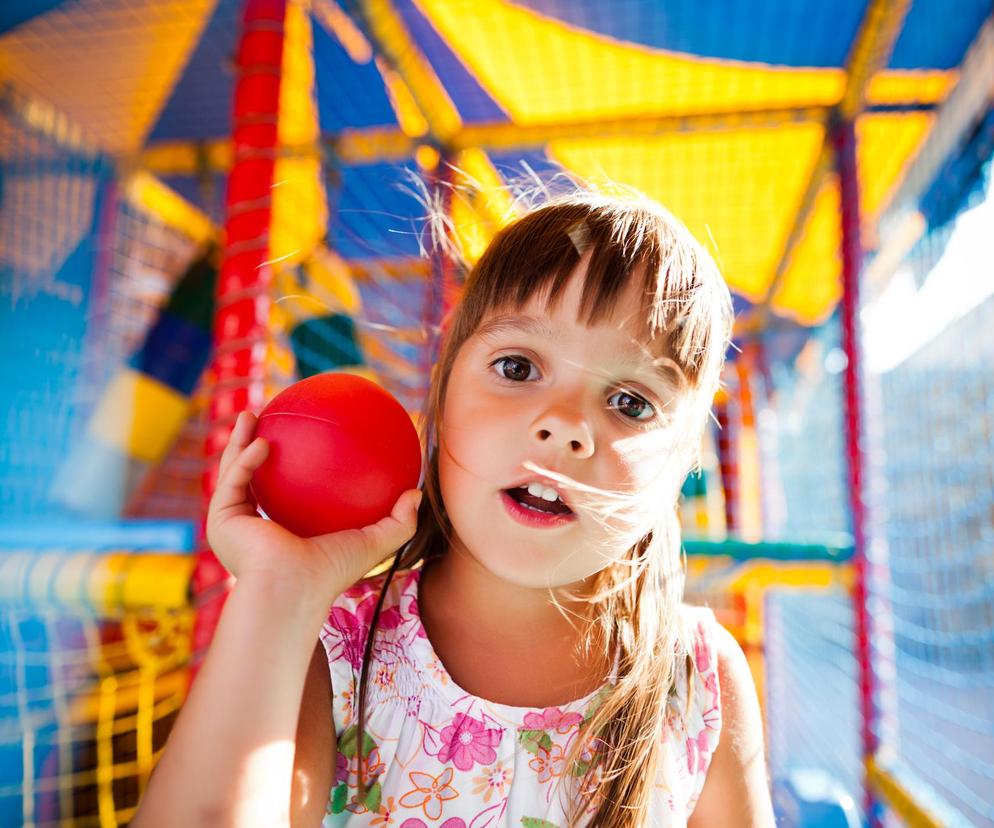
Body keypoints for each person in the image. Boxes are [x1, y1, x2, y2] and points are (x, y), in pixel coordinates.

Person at [134, 187, 775, 827]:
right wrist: (280, 591)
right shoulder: (331, 651)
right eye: (519, 367)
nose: (563, 425)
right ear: (441, 393)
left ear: (685, 463)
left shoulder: (699, 681)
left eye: (631, 403)